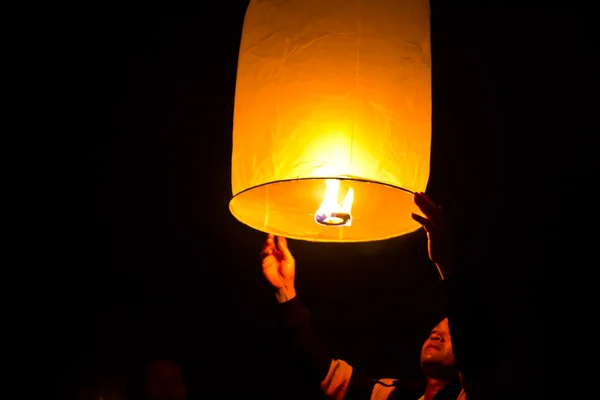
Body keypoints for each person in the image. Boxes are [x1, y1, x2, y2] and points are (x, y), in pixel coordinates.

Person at [260, 192, 473, 399]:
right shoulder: (390, 395)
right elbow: (323, 371)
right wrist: (285, 290)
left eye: (451, 334)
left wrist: (445, 262)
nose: (436, 336)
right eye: (435, 331)